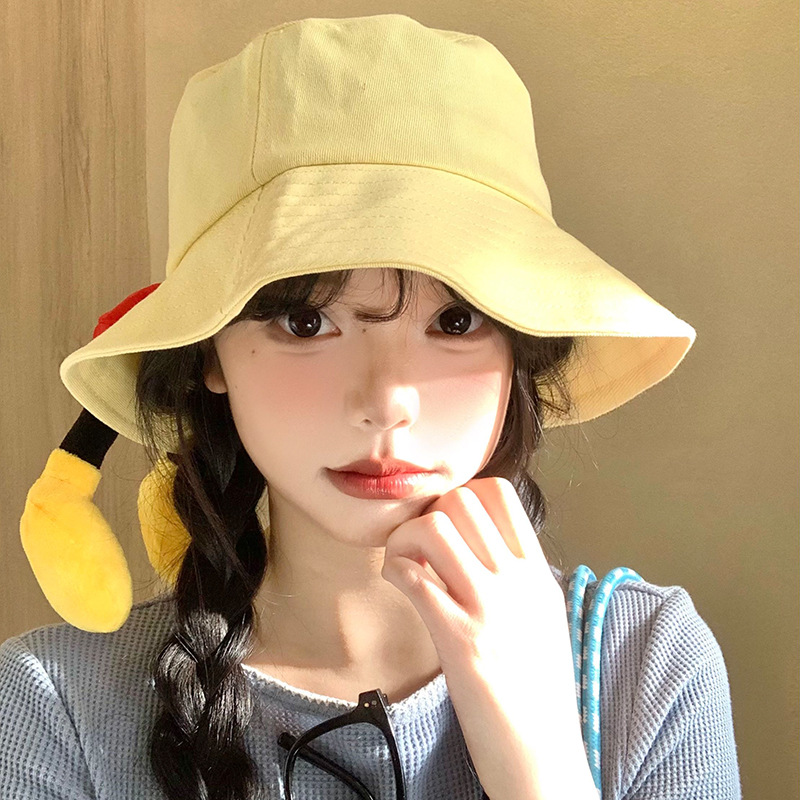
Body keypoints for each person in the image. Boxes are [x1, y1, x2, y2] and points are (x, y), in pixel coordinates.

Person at [0, 13, 741, 800]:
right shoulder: (55, 708)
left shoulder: (648, 667)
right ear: (209, 352)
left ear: (517, 349)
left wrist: (539, 761)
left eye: (455, 321)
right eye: (305, 321)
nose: (387, 402)